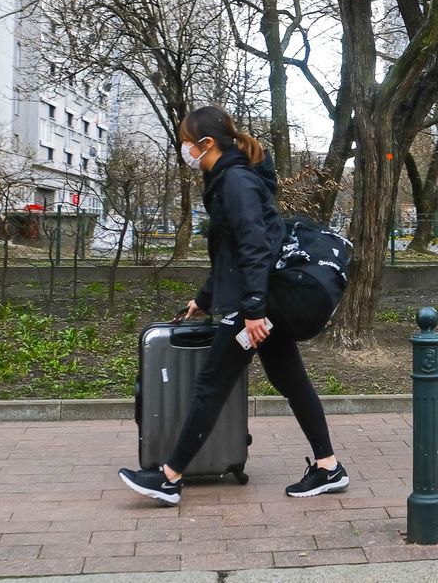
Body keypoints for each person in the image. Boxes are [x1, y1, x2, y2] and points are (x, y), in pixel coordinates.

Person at [118, 106, 348, 506]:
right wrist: (204, 299)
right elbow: (230, 251)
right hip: (264, 299)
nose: (184, 149)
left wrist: (254, 310)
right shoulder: (228, 178)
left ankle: (169, 478)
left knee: (212, 383)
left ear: (207, 144)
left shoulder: (235, 181)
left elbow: (255, 246)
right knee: (291, 382)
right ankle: (328, 467)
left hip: (259, 302)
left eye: (187, 142)